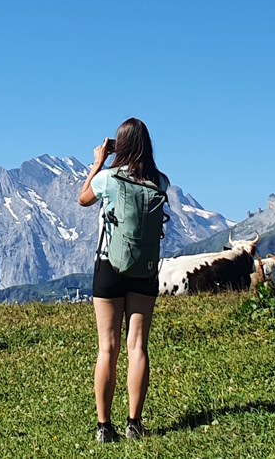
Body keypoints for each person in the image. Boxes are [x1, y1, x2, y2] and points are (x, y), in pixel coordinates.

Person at [76, 117, 166, 443]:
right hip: (145, 272)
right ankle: (134, 424)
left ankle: (103, 427)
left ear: (121, 145)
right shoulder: (161, 182)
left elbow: (83, 198)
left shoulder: (107, 179)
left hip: (109, 269)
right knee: (138, 346)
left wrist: (99, 161)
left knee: (107, 347)